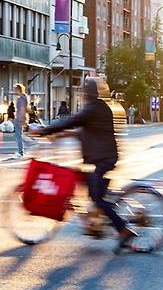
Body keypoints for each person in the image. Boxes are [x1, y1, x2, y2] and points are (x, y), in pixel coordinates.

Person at [34, 78, 138, 250]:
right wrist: (63, 135)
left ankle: (123, 230)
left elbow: (72, 121)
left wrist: (45, 130)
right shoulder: (98, 108)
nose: (82, 95)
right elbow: (85, 130)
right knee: (84, 181)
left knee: (97, 198)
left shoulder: (93, 109)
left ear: (86, 94)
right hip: (103, 158)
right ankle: (95, 224)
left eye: (82, 92)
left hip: (103, 160)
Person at [13, 84, 28, 158]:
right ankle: (21, 151)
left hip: (19, 119)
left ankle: (20, 152)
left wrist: (21, 119)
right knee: (20, 135)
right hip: (21, 118)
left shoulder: (21, 98)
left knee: (18, 135)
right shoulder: (24, 97)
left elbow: (22, 109)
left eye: (15, 89)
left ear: (18, 90)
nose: (14, 91)